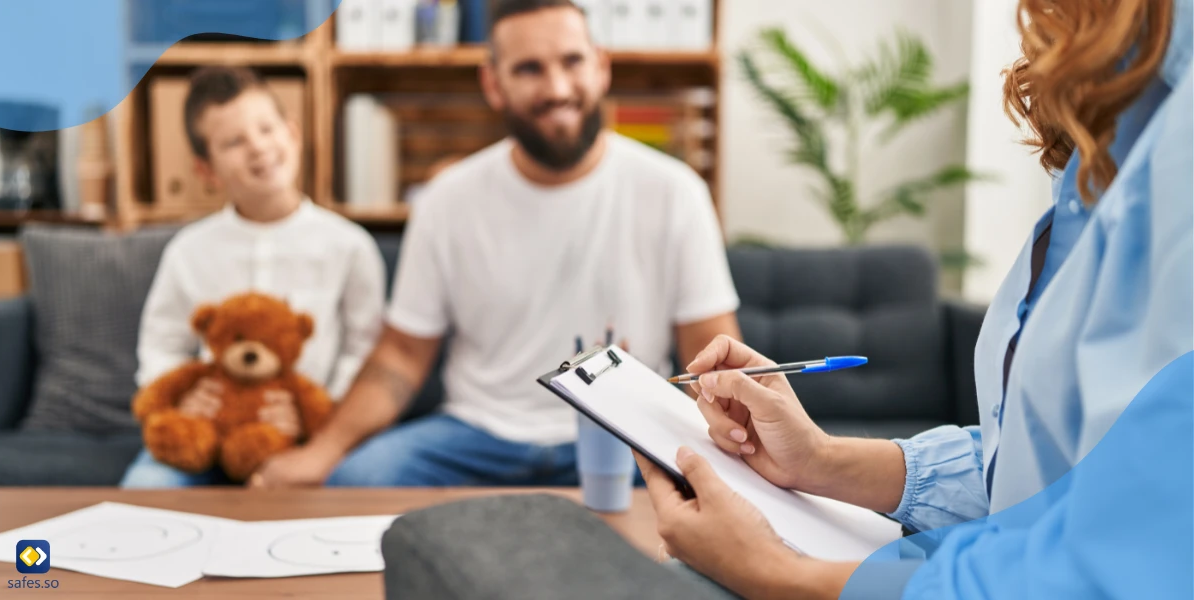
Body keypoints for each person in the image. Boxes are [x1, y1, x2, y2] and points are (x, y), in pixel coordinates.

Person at [632, 0, 1193, 597]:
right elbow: (1044, 471)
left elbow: (1116, 567)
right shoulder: (1115, 121)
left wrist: (770, 571)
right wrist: (820, 461)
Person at [250, 0, 741, 489]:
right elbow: (401, 355)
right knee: (357, 479)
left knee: (723, 495)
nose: (557, 88)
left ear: (601, 67)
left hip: (626, 435)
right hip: (476, 435)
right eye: (529, 69)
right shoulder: (447, 199)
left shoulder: (676, 192)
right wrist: (322, 453)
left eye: (572, 62)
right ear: (493, 84)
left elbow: (711, 353)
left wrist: (737, 456)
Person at [120, 66, 387, 488]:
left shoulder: (349, 246)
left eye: (267, 129)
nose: (259, 148)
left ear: (293, 134)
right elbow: (161, 344)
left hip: (302, 436)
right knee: (147, 489)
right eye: (233, 142)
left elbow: (364, 350)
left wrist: (319, 415)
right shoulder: (189, 250)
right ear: (206, 170)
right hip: (206, 433)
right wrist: (185, 400)